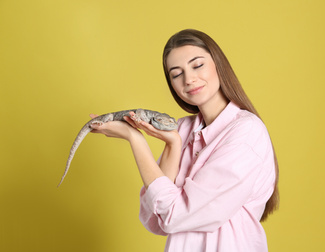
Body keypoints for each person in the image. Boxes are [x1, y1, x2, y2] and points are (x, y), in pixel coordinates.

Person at [90, 29, 279, 252]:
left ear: (219, 64)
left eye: (197, 65)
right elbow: (154, 217)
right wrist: (173, 144)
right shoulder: (181, 129)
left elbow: (174, 216)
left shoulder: (246, 132)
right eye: (176, 74)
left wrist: (135, 139)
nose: (189, 79)